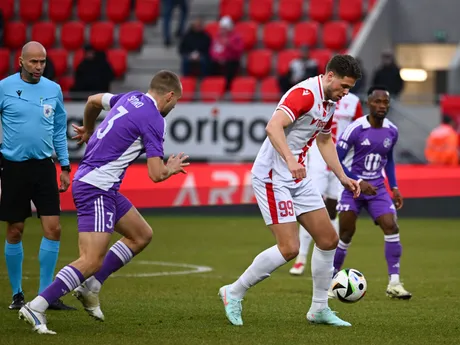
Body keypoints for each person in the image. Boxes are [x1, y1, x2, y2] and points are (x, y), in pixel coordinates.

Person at [18, 70, 190, 334]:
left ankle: (92, 286)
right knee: (90, 259)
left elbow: (92, 100)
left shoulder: (130, 98)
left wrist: (88, 127)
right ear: (169, 95)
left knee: (141, 234)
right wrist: (171, 168)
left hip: (101, 185)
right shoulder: (154, 119)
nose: (175, 105)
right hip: (96, 187)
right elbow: (156, 174)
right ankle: (37, 305)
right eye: (176, 100)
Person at [218, 55, 362, 327]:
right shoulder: (305, 94)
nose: (345, 92)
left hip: (297, 178)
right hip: (273, 177)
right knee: (289, 248)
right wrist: (291, 159)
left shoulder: (330, 102)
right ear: (329, 75)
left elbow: (324, 139)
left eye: (349, 89)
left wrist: (343, 176)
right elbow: (273, 127)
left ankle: (319, 309)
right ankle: (233, 292)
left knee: (328, 239)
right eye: (344, 86)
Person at [0, 41, 74, 311]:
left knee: (53, 229)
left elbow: (58, 131)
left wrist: (64, 166)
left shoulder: (53, 90)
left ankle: (45, 295)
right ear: (21, 61)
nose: (39, 67)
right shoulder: (4, 87)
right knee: (15, 230)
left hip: (44, 167)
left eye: (42, 62)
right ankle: (17, 294)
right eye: (33, 62)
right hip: (13, 167)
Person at [332, 85, 412, 299]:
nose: (381, 106)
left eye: (385, 102)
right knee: (346, 233)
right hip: (353, 188)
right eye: (377, 102)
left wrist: (394, 187)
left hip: (377, 188)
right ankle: (331, 280)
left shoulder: (392, 130)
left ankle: (394, 283)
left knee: (391, 226)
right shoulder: (355, 128)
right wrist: (357, 181)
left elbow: (390, 160)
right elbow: (336, 160)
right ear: (368, 103)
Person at [290, 92, 363, 275]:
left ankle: (330, 262)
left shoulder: (354, 102)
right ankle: (301, 259)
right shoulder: (319, 96)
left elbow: (359, 130)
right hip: (318, 161)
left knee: (333, 209)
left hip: (341, 162)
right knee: (311, 205)